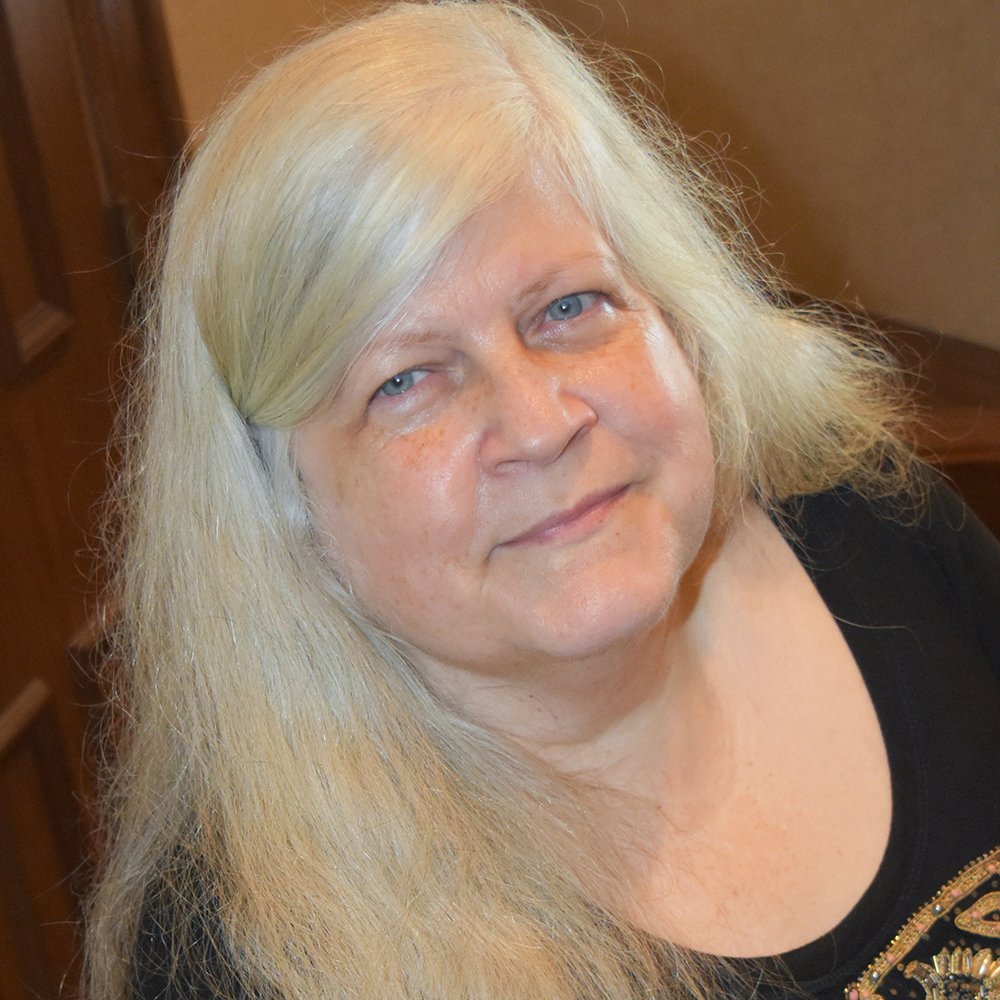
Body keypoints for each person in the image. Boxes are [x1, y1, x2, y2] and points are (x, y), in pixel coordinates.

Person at [85, 3, 1000, 998]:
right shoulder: (238, 954)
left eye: (568, 307)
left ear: (677, 314)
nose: (538, 425)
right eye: (405, 381)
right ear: (282, 498)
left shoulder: (870, 523)